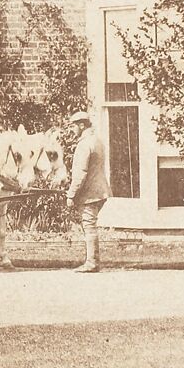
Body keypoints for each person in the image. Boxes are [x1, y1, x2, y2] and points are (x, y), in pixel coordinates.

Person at [66, 110, 111, 273]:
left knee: (89, 225)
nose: (71, 130)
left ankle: (92, 262)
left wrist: (71, 195)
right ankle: (92, 261)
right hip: (100, 190)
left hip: (90, 193)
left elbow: (80, 173)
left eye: (73, 126)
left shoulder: (84, 144)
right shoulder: (97, 140)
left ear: (81, 125)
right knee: (89, 225)